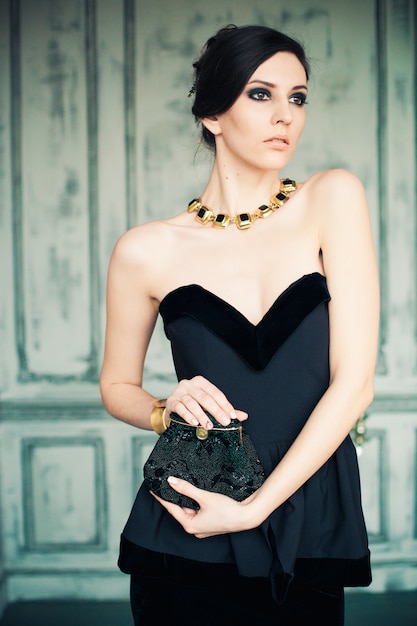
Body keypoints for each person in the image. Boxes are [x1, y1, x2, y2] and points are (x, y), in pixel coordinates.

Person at [99, 24, 379, 626]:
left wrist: (253, 509)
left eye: (297, 97)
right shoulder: (146, 249)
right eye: (261, 94)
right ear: (213, 115)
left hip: (306, 515)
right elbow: (115, 387)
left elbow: (355, 384)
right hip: (189, 517)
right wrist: (162, 408)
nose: (285, 115)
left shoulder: (332, 199)